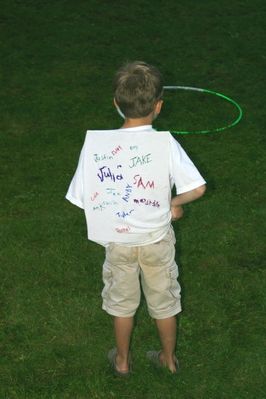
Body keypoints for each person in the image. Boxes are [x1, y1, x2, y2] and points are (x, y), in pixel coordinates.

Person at [65, 61, 206, 375]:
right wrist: (173, 202)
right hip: (157, 240)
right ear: (158, 106)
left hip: (119, 243)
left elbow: (81, 198)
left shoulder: (97, 147)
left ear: (116, 104)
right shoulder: (165, 143)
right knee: (164, 302)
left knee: (122, 304)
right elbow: (197, 188)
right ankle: (169, 361)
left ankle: (123, 361)